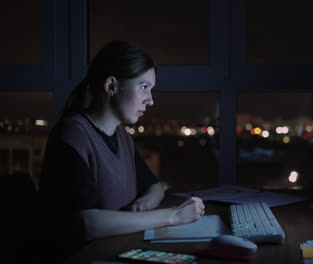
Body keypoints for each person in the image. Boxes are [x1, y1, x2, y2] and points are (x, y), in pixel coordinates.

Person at [38, 40, 205, 261]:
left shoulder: (122, 137)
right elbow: (88, 223)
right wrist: (173, 216)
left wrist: (143, 203)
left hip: (117, 250)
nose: (151, 100)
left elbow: (154, 186)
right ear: (112, 86)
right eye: (144, 87)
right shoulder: (71, 136)